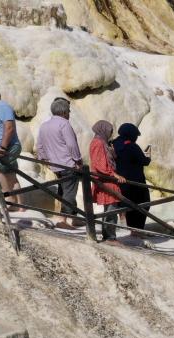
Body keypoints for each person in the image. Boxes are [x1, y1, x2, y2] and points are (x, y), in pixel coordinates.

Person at [35, 97, 83, 227]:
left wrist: (45, 160)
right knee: (69, 193)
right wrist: (78, 160)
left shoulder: (44, 125)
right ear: (63, 112)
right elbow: (72, 145)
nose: (69, 114)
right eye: (68, 111)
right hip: (68, 164)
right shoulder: (64, 124)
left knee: (64, 190)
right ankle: (63, 220)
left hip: (55, 166)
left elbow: (39, 146)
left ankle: (74, 218)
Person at [111, 123, 151, 234]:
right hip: (136, 182)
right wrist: (148, 156)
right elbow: (144, 161)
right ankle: (136, 231)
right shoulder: (132, 146)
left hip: (120, 181)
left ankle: (129, 229)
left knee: (127, 205)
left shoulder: (114, 144)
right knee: (143, 204)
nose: (136, 138)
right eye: (136, 136)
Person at [89, 120, 124, 242]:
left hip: (107, 180)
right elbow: (100, 165)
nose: (110, 134)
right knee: (111, 210)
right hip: (106, 181)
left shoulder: (103, 143)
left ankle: (108, 234)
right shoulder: (98, 143)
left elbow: (107, 160)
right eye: (110, 131)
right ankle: (110, 237)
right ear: (103, 130)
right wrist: (113, 174)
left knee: (110, 209)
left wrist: (112, 151)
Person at [0, 82, 21, 201]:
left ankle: (8, 200)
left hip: (6, 147)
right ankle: (21, 205)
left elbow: (9, 127)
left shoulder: (2, 106)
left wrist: (3, 148)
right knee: (11, 175)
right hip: (1, 148)